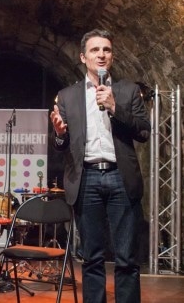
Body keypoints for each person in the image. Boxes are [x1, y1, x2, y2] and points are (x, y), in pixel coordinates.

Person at [50, 29, 150, 303]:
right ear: (84, 57)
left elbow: (144, 131)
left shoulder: (128, 91)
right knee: (92, 257)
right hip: (86, 179)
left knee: (126, 258)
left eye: (106, 49)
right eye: (95, 50)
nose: (101, 55)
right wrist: (59, 134)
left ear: (112, 57)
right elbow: (61, 146)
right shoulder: (67, 96)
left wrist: (116, 107)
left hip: (121, 177)